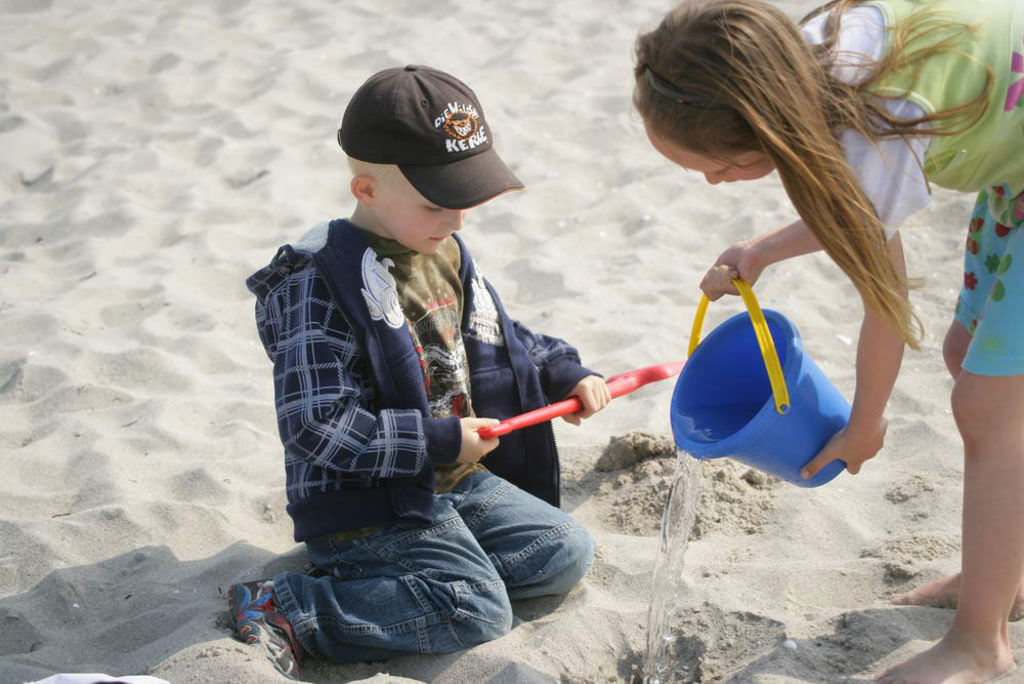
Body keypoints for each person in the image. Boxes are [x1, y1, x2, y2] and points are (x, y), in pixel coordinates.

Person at [633, 0, 1023, 681]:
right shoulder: (798, 61)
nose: (714, 183)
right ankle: (1008, 569)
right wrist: (764, 249)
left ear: (763, 125)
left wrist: (864, 425)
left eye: (718, 169)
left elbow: (886, 299)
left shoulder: (877, 122)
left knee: (991, 409)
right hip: (1012, 175)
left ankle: (980, 643)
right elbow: (856, 210)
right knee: (970, 360)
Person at [229, 65, 609, 679]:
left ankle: (411, 580)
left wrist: (563, 370)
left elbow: (495, 334)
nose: (456, 221)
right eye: (437, 203)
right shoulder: (316, 282)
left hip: (451, 478)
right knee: (478, 610)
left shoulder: (442, 249)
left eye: (465, 202)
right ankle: (293, 607)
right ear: (367, 189)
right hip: (367, 501)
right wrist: (437, 440)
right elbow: (315, 426)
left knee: (565, 551)